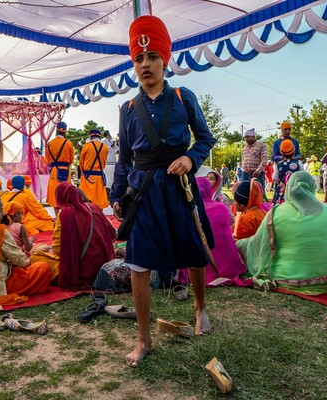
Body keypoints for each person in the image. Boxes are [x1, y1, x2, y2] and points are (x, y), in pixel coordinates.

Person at [110, 15, 217, 367]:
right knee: (138, 262)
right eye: (138, 59)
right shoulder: (127, 109)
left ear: (164, 60)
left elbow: (205, 139)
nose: (144, 65)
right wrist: (116, 195)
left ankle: (201, 307)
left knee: (193, 250)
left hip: (179, 186)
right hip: (142, 192)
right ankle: (143, 339)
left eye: (151, 57)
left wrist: (190, 157)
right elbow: (125, 158)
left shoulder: (184, 98)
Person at [237, 172, 327, 294]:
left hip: (286, 278)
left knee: (243, 246)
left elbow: (259, 245)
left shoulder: (277, 212)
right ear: (312, 188)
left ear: (288, 188)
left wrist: (240, 244)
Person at [32, 182, 116, 289]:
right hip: (103, 267)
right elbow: (112, 234)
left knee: (36, 257)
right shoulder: (94, 207)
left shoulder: (65, 214)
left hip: (79, 272)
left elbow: (58, 250)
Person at [179, 177, 247, 286]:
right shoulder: (221, 207)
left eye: (212, 178)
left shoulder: (188, 210)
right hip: (228, 267)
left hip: (198, 266)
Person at [46, 121, 74, 214]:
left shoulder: (50, 143)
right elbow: (71, 160)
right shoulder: (69, 143)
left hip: (54, 171)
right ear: (65, 132)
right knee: (66, 193)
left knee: (55, 194)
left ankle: (58, 217)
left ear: (56, 131)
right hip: (66, 171)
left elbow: (47, 160)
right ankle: (66, 216)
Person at [79, 129, 109, 209]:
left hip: (87, 177)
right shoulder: (105, 147)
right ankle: (98, 219)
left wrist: (83, 172)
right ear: (100, 136)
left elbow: (81, 162)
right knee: (99, 202)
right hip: (99, 177)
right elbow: (104, 162)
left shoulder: (86, 146)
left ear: (90, 136)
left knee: (85, 202)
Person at [272, 139, 304, 204]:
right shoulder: (298, 163)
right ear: (294, 151)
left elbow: (274, 177)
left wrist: (280, 182)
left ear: (281, 153)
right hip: (295, 190)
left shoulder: (279, 164)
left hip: (282, 191)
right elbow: (303, 176)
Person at [102, 130, 118, 197]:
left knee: (113, 178)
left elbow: (117, 148)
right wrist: (110, 146)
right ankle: (107, 192)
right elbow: (103, 148)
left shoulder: (111, 141)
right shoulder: (103, 141)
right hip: (108, 162)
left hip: (113, 161)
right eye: (109, 134)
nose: (110, 135)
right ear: (107, 135)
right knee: (108, 178)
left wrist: (115, 144)